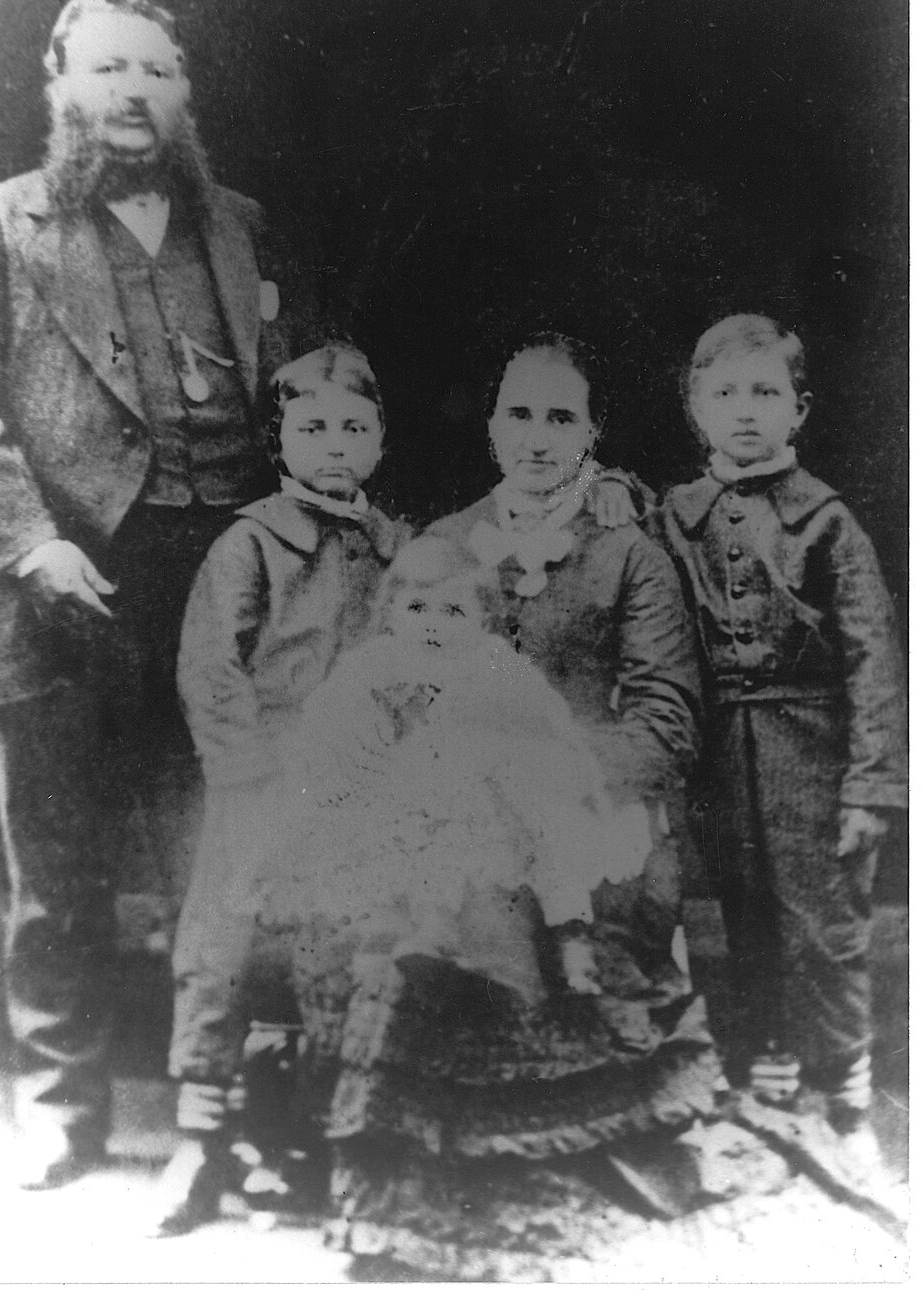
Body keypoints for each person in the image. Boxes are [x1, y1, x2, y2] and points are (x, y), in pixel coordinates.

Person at [238, 333, 714, 1278]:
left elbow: (666, 722)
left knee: (554, 900)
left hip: (583, 806)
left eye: (561, 418)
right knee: (395, 892)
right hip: (433, 805)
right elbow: (380, 677)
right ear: (491, 426)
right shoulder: (442, 545)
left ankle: (554, 1159)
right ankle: (392, 1156)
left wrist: (548, 779)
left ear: (594, 434)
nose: (537, 438)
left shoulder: (631, 553)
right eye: (518, 414)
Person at [0, 0, 293, 1188]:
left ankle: (220, 1095)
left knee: (228, 846)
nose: (131, 94)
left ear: (185, 92)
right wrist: (31, 545)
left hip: (222, 576)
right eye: (103, 71)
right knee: (59, 864)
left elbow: (293, 399)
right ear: (58, 87)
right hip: (59, 577)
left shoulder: (240, 225)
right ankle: (62, 1098)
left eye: (153, 70)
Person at [156, 342, 409, 1234]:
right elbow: (211, 667)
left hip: (359, 793)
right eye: (312, 428)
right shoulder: (250, 544)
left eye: (353, 427)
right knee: (222, 952)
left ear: (380, 439)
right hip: (259, 786)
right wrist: (251, 776)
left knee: (340, 956)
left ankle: (323, 1141)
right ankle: (202, 1140)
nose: (334, 445)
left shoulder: (400, 550)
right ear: (278, 441)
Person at [660, 314, 907, 1172]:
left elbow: (877, 656)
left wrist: (874, 784)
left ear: (800, 411)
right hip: (721, 752)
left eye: (766, 393)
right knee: (746, 916)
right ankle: (768, 1073)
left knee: (825, 923)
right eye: (723, 393)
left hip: (814, 748)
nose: (744, 412)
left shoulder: (827, 521)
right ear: (693, 406)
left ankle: (844, 1093)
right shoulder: (674, 519)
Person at [252, 535, 653, 1007]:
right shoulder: (371, 666)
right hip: (393, 804)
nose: (433, 626)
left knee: (538, 847)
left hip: (486, 811)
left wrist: (507, 748)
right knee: (369, 862)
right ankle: (385, 962)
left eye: (453, 612)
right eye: (417, 608)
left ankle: (572, 946)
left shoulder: (497, 665)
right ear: (389, 610)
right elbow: (328, 734)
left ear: (484, 617)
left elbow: (548, 727)